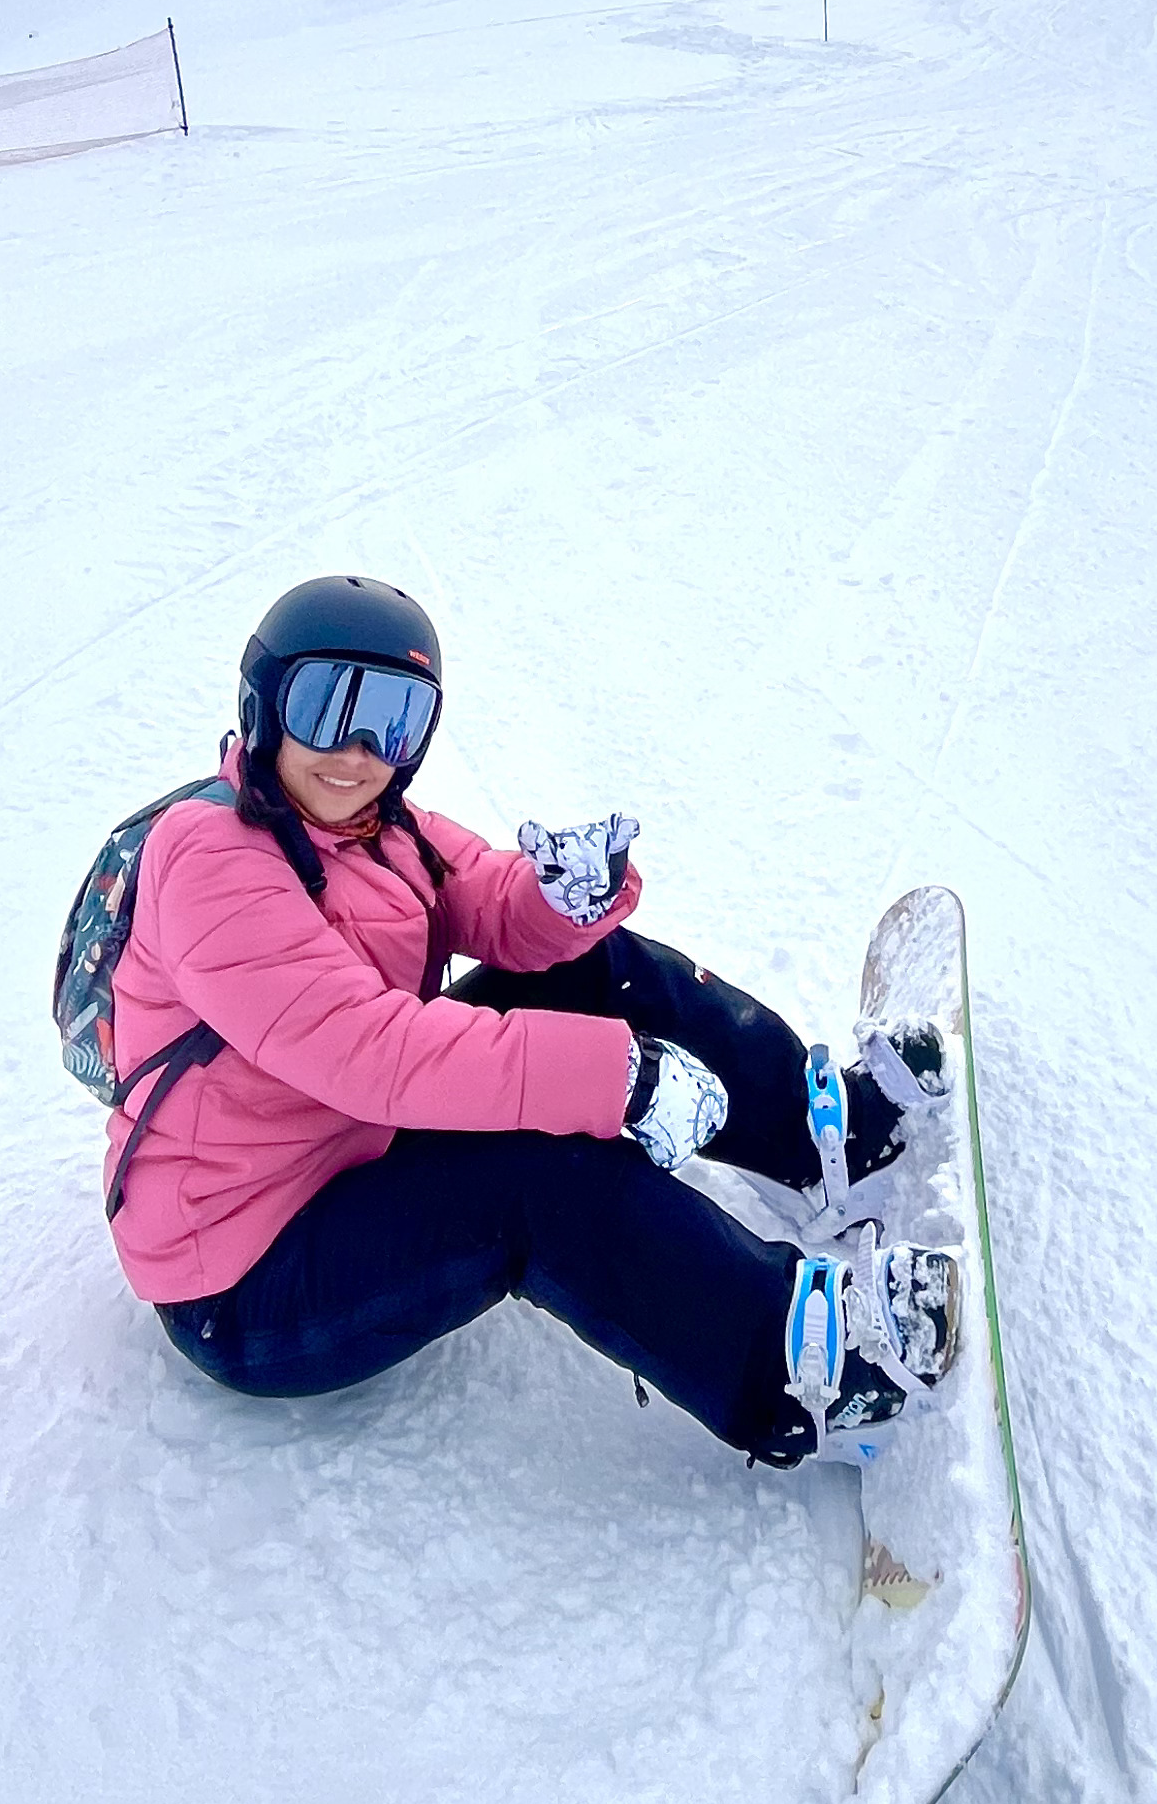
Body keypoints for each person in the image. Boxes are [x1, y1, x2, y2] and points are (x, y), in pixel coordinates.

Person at [97, 577, 962, 1468]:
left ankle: (829, 1140)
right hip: (247, 1272)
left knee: (593, 969)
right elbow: (371, 1051)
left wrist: (559, 897)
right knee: (538, 1179)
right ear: (267, 705)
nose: (357, 752)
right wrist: (619, 1079)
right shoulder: (207, 859)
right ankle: (808, 1373)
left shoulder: (375, 827)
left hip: (352, 1143)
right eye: (327, 706)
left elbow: (481, 894)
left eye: (393, 719)